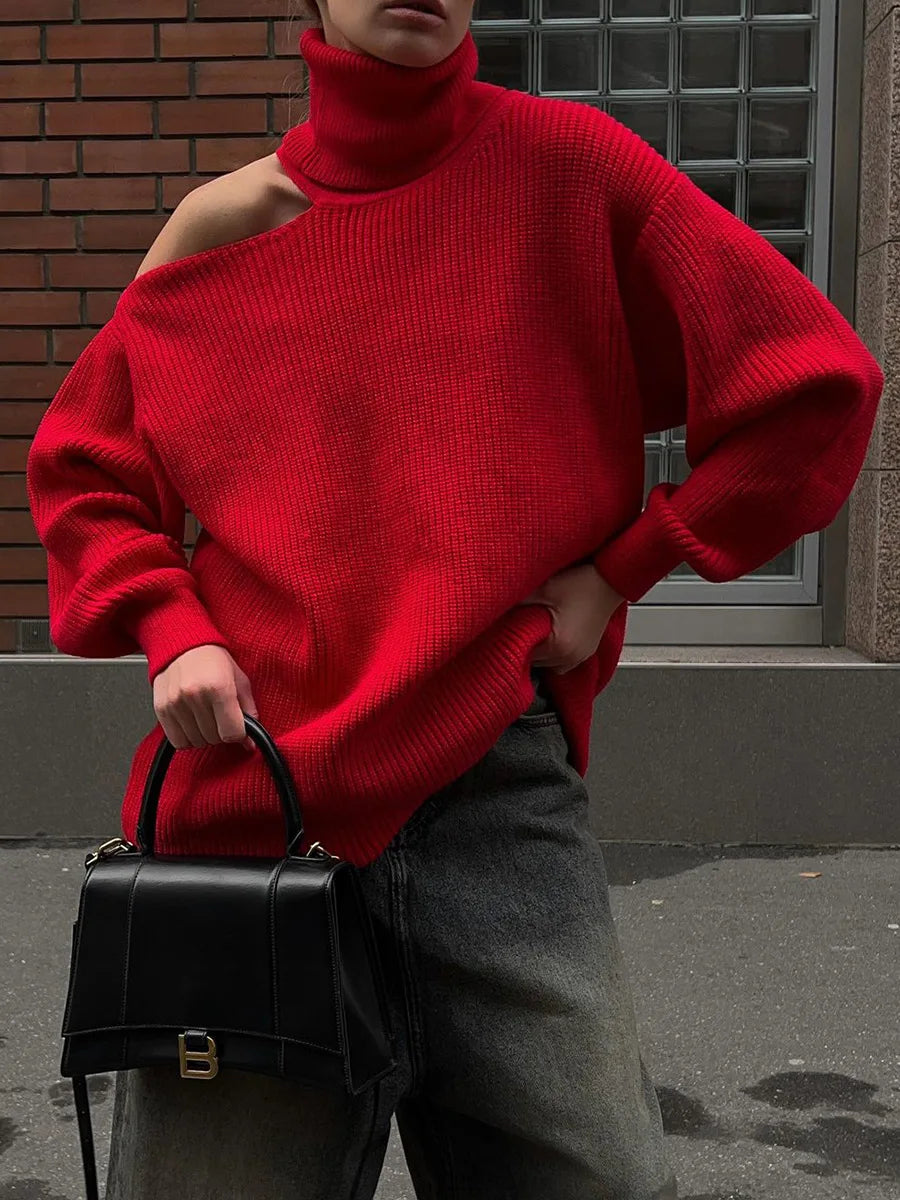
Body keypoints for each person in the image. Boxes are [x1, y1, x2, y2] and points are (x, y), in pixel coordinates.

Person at [27, 1, 882, 1197]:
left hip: (495, 789)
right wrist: (174, 633)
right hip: (253, 796)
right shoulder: (222, 226)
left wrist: (621, 570)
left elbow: (813, 383)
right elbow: (88, 466)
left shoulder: (569, 172)